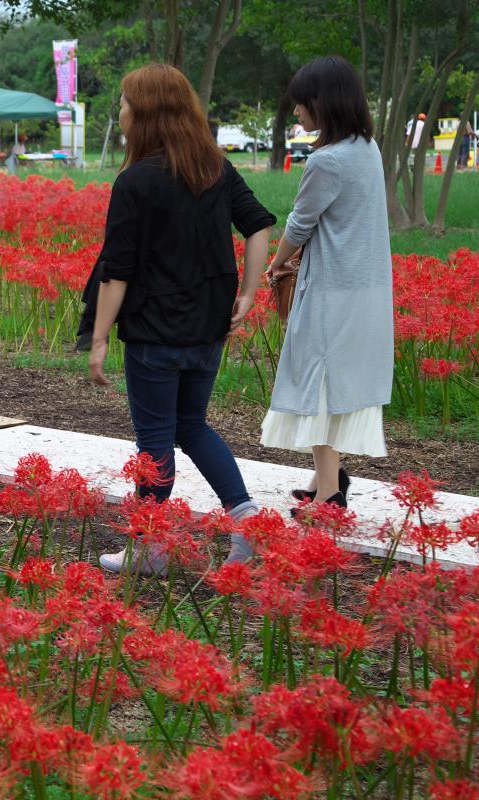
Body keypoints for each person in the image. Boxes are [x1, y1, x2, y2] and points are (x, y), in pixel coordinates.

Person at [87, 63, 275, 574]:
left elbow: (117, 272)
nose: (121, 111)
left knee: (154, 441)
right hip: (208, 326)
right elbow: (258, 227)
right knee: (192, 426)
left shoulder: (135, 181)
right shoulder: (214, 166)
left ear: (145, 112)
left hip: (153, 332)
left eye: (125, 103)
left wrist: (100, 338)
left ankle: (150, 547)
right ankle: (246, 517)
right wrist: (248, 294)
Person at [261, 56, 393, 514]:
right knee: (333, 381)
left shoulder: (327, 160)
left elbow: (300, 225)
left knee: (315, 382)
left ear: (323, 103)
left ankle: (330, 495)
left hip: (332, 289)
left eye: (302, 104)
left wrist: (276, 266)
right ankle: (326, 474)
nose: (297, 113)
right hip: (367, 288)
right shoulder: (366, 147)